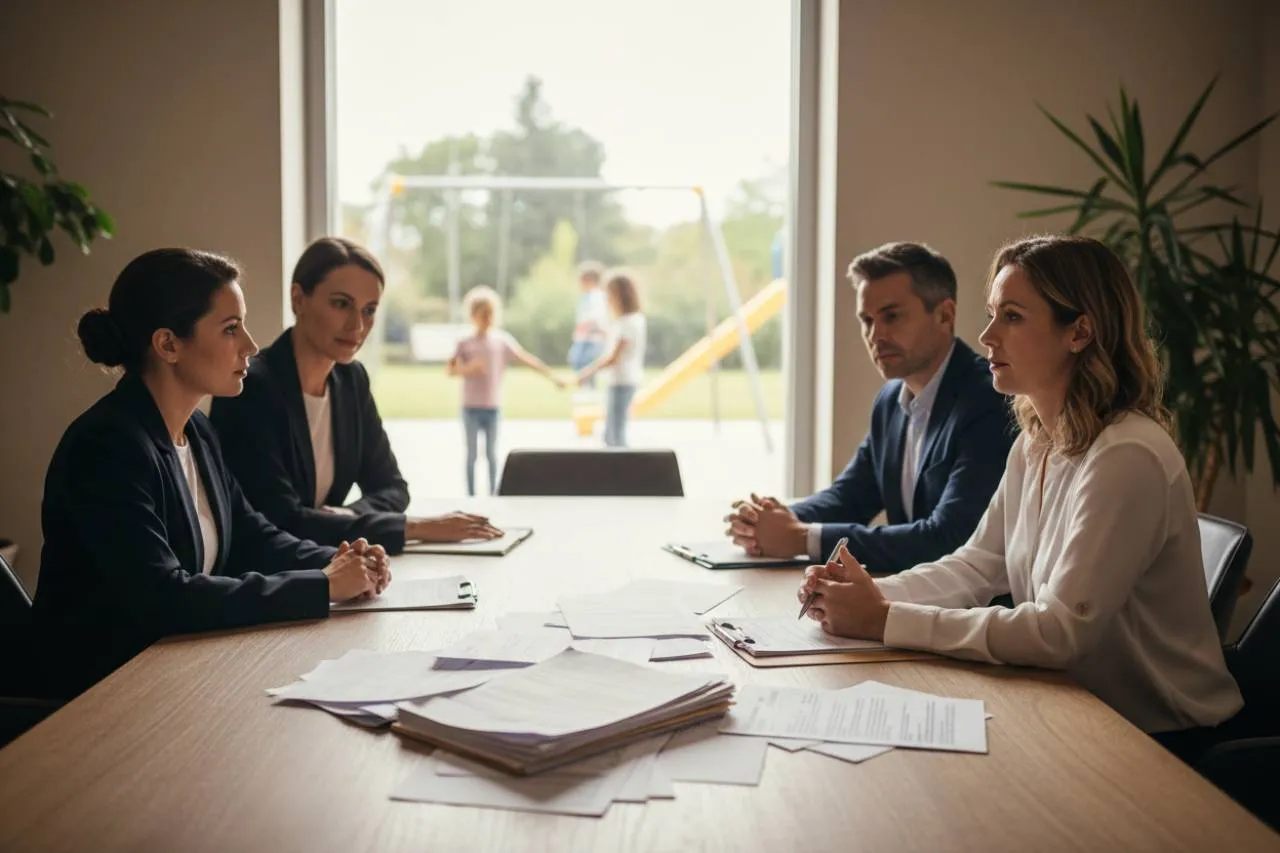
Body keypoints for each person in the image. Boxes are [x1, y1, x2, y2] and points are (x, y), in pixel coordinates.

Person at [797, 235, 1243, 749]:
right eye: (991, 314)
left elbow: (1057, 634)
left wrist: (885, 619)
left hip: (1168, 739)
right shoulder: (1037, 442)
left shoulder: (1127, 455)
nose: (986, 336)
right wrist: (868, 597)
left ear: (1079, 331)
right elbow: (976, 566)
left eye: (1011, 316)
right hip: (1080, 712)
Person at [34, 248, 390, 699]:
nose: (250, 345)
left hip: (175, 672)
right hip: (96, 695)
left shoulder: (196, 429)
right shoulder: (108, 446)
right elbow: (165, 597)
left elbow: (249, 534)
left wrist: (334, 558)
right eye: (230, 329)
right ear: (168, 345)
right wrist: (321, 585)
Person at [727, 242, 1014, 574]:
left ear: (944, 315)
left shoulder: (988, 399)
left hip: (971, 615)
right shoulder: (890, 400)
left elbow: (949, 538)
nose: (875, 335)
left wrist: (802, 538)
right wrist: (769, 520)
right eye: (867, 320)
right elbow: (850, 497)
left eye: (891, 316)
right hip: (911, 599)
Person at [210, 237, 501, 555]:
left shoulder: (351, 379)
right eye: (341, 304)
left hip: (331, 566)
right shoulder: (250, 387)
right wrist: (414, 527)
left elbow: (391, 487)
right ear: (298, 300)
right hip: (267, 576)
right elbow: (281, 520)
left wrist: (350, 513)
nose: (357, 325)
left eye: (369, 310)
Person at [447, 285, 566, 496]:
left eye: (492, 314)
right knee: (472, 454)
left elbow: (527, 359)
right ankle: (471, 495)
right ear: (474, 315)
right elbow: (451, 370)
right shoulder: (464, 342)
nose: (489, 319)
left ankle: (494, 493)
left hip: (492, 407)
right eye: (484, 315)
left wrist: (552, 376)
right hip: (471, 408)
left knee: (493, 455)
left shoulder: (501, 340)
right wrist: (468, 368)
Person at [577, 271, 647, 448]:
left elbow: (613, 358)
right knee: (611, 434)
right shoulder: (631, 320)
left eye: (609, 294)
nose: (607, 299)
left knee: (615, 435)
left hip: (622, 382)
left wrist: (587, 372)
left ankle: (622, 470)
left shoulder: (628, 323)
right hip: (622, 381)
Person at [567, 260, 608, 390]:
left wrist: (586, 327)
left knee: (584, 362)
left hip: (592, 337)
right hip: (584, 337)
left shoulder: (597, 296)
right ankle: (585, 387)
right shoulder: (587, 297)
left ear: (589, 279)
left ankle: (588, 388)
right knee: (577, 360)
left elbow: (595, 317)